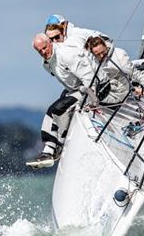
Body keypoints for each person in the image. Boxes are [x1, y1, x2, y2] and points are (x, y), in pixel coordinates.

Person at [28, 33, 98, 168]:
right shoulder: (46, 64)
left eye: (44, 48)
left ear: (50, 43)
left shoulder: (66, 55)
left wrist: (92, 100)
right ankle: (48, 149)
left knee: (58, 109)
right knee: (50, 111)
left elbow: (90, 77)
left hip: (90, 89)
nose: (43, 52)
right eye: (39, 51)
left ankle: (59, 144)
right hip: (74, 89)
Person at [85, 36, 144, 104]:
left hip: (119, 93)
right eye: (98, 54)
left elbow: (135, 74)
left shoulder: (119, 57)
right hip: (105, 89)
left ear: (106, 46)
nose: (102, 55)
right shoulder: (93, 60)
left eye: (103, 52)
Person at [44, 14, 108, 49]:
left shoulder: (75, 35)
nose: (54, 41)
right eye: (51, 39)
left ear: (64, 24)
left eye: (58, 27)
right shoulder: (65, 39)